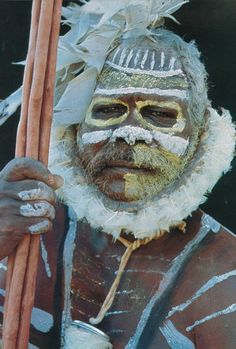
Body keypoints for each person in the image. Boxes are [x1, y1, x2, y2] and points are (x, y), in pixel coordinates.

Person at [0, 1, 236, 348]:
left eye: (158, 114)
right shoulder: (26, 236)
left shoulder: (224, 273)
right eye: (109, 110)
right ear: (75, 130)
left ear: (200, 138)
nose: (130, 133)